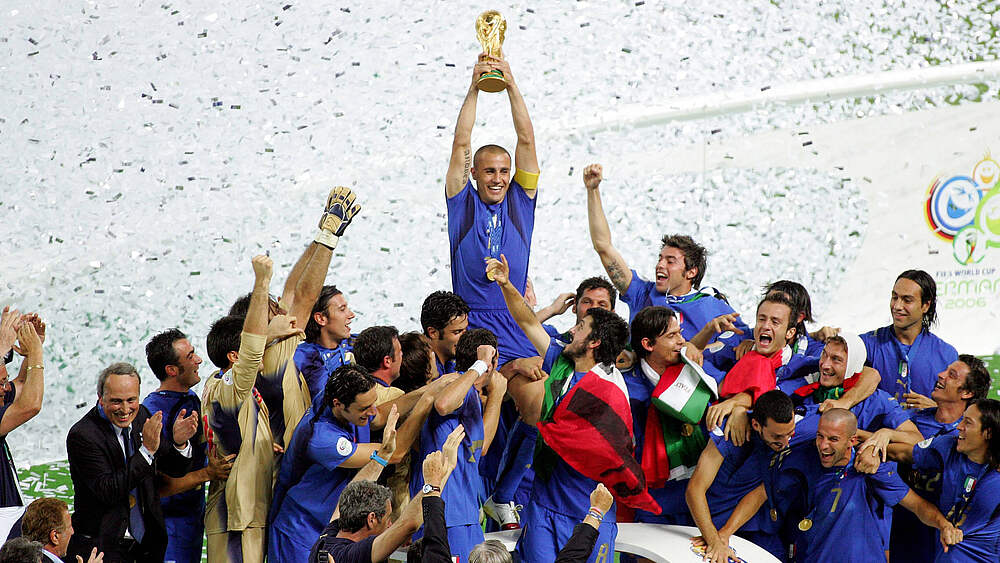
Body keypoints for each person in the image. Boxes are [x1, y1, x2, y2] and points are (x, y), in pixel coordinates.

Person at [486, 255, 645, 563]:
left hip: (588, 511)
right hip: (544, 507)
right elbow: (527, 321)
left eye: (581, 328)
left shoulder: (610, 392)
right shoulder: (563, 363)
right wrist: (506, 285)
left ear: (594, 342)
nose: (572, 332)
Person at [703, 409, 962, 563]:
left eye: (833, 439)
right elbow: (760, 494)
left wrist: (943, 525)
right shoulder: (804, 458)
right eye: (820, 436)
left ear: (852, 440)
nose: (823, 445)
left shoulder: (871, 466)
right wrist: (724, 534)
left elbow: (916, 505)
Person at [582, 163, 748, 374]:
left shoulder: (713, 306)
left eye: (670, 261)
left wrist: (719, 346)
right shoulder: (643, 293)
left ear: (691, 272)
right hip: (634, 386)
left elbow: (747, 339)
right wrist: (593, 190)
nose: (660, 265)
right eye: (660, 259)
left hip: (687, 389)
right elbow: (603, 247)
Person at [229, 186, 361, 449]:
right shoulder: (275, 356)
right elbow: (304, 297)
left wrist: (322, 233)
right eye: (274, 311)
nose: (283, 311)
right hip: (287, 462)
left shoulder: (260, 353)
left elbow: (291, 290)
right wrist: (330, 238)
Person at [269, 364, 438, 563]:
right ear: (338, 404)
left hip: (329, 525)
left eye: (373, 402)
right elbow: (393, 453)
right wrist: (426, 402)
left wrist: (425, 390)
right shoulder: (323, 440)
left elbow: (378, 416)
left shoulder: (339, 398)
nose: (372, 411)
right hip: (300, 533)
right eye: (364, 408)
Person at [445, 53, 540, 367]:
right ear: (473, 173)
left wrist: (511, 85)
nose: (498, 179)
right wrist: (474, 89)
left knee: (535, 389)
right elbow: (461, 143)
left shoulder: (521, 202)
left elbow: (526, 140)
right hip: (471, 329)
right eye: (489, 171)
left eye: (503, 171)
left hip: (517, 323)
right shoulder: (462, 203)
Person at [66, 362, 197, 562]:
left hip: (147, 546)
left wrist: (179, 443)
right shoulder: (83, 435)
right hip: (103, 549)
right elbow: (108, 490)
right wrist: (146, 451)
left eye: (131, 400)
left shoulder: (141, 416)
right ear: (100, 398)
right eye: (116, 401)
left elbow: (174, 468)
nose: (125, 409)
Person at [201, 255, 282, 562]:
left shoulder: (222, 385)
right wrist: (262, 283)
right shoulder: (228, 388)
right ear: (235, 357)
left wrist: (262, 443)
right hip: (237, 517)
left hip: (244, 512)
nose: (263, 350)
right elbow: (251, 353)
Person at [410, 330, 505, 561]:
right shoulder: (456, 384)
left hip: (463, 515)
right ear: (493, 362)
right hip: (446, 516)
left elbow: (481, 447)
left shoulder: (470, 392)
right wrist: (480, 365)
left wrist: (496, 395)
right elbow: (443, 404)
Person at [884, 355, 991, 562]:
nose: (941, 375)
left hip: (950, 543)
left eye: (952, 375)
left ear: (967, 392)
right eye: (945, 370)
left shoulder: (973, 438)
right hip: (903, 533)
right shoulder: (910, 422)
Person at [309, 430, 464, 563]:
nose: (390, 525)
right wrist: (437, 480)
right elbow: (408, 524)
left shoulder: (329, 537)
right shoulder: (352, 556)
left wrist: (383, 455)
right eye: (387, 518)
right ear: (371, 519)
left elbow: (350, 490)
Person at [875, 398, 1000, 562]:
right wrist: (873, 448)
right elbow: (902, 453)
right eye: (962, 419)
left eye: (968, 423)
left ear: (988, 433)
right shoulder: (948, 446)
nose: (959, 426)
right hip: (944, 554)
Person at [625, 306, 714, 525]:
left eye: (680, 333)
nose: (682, 341)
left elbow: (730, 386)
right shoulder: (628, 387)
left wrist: (735, 404)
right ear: (648, 344)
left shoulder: (695, 368)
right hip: (653, 498)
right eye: (672, 336)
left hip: (701, 493)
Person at [686, 390, 796, 560]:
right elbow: (695, 489)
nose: (785, 443)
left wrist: (724, 534)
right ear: (756, 425)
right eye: (777, 436)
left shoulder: (800, 432)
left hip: (752, 523)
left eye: (790, 433)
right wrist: (714, 541)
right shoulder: (729, 432)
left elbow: (760, 493)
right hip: (710, 516)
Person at [141, 328, 221, 563]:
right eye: (190, 356)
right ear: (172, 370)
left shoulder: (191, 398)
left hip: (192, 520)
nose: (199, 360)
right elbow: (158, 487)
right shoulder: (154, 413)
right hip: (168, 527)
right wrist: (208, 473)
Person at [861, 270, 958, 405]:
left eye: (907, 300)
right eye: (895, 297)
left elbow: (957, 409)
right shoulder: (867, 344)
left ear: (925, 305)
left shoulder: (946, 355)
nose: (897, 306)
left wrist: (936, 408)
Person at [0, 309, 45, 535]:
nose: (5, 388)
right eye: (1, 383)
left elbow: (22, 385)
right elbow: (30, 405)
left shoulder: (2, 396)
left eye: (4, 381)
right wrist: (36, 354)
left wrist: (31, 350)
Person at [294, 285, 357, 401]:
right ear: (321, 319)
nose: (351, 315)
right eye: (342, 309)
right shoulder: (301, 358)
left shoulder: (354, 343)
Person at [420, 291, 469, 376]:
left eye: (466, 330)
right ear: (433, 332)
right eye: (457, 332)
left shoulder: (454, 361)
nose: (466, 337)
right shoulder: (421, 370)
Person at [352, 325, 404, 404]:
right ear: (387, 361)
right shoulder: (395, 398)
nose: (402, 354)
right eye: (399, 351)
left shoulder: (351, 392)